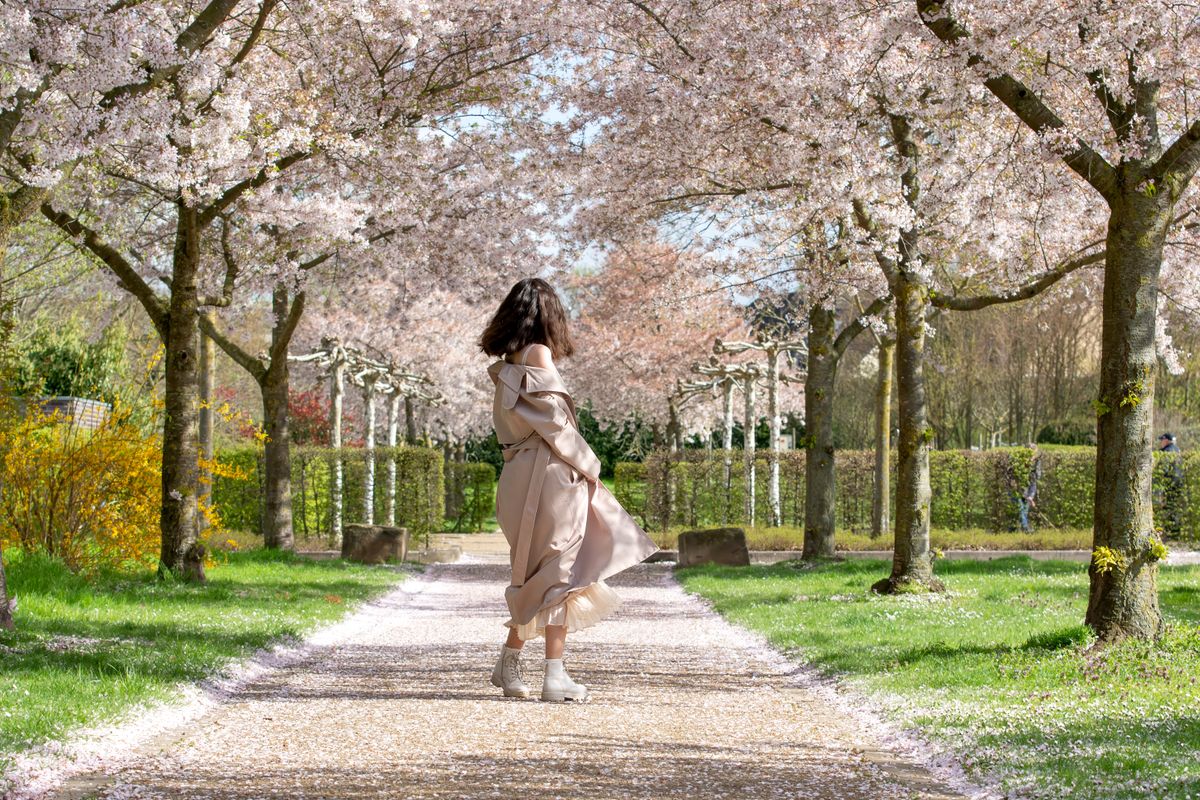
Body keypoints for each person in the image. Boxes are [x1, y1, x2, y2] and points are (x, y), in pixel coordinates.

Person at [479, 278, 658, 702]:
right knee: (561, 572)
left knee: (538, 575)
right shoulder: (538, 353)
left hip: (517, 474)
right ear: (548, 315)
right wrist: (591, 466)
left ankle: (509, 663)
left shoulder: (506, 365)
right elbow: (557, 425)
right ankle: (554, 676)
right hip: (549, 476)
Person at [1157, 432, 1184, 539]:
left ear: (1166, 440)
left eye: (1162, 440)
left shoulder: (1166, 452)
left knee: (1168, 507)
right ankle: (1175, 533)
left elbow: (1164, 469)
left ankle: (1171, 533)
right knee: (1175, 507)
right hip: (1179, 482)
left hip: (1169, 483)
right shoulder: (1177, 450)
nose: (1160, 443)